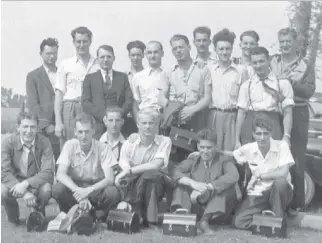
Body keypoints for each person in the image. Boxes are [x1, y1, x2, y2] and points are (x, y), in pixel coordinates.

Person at [270, 27, 316, 211]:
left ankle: (297, 205)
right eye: (282, 42)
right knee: (273, 156)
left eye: (288, 41)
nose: (285, 45)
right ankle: (274, 203)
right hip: (275, 112)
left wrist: (289, 82)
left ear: (296, 43)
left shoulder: (306, 65)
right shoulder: (273, 61)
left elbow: (309, 90)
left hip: (298, 112)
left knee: (295, 158)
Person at [52, 113, 121, 223]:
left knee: (112, 192)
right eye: (80, 132)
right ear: (75, 132)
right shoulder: (69, 145)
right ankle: (69, 214)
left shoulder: (103, 148)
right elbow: (60, 174)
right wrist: (79, 192)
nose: (83, 136)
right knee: (57, 188)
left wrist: (88, 191)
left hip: (96, 189)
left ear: (93, 131)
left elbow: (109, 179)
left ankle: (99, 215)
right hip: (76, 189)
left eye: (87, 131)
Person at [171, 129, 239, 235]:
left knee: (227, 188)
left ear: (216, 146)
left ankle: (204, 222)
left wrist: (209, 187)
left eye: (209, 147)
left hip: (217, 210)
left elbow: (233, 175)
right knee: (181, 186)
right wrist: (192, 183)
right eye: (202, 147)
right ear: (198, 146)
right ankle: (185, 219)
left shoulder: (224, 160)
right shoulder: (195, 159)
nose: (205, 151)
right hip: (197, 204)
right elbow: (176, 171)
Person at [232, 115, 295, 229]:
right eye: (259, 133)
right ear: (253, 134)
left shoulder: (282, 146)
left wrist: (258, 176)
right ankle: (265, 222)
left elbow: (283, 173)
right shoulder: (248, 148)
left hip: (279, 192)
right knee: (238, 221)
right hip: (259, 193)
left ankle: (278, 222)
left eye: (266, 133)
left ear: (271, 133)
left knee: (280, 182)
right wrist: (208, 153)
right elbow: (233, 154)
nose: (262, 137)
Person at [115, 108, 172, 227]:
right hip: (135, 183)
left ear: (157, 125)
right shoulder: (129, 143)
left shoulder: (165, 141)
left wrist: (130, 171)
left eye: (151, 123)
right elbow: (123, 162)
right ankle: (146, 218)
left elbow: (156, 165)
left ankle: (138, 212)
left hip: (158, 185)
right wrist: (126, 171)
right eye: (144, 123)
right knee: (145, 177)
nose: (147, 127)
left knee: (151, 175)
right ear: (138, 124)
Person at [1, 112, 54, 227]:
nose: (29, 131)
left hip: (36, 180)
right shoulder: (7, 142)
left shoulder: (44, 142)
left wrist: (26, 184)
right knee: (3, 190)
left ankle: (38, 215)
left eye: (32, 127)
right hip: (16, 181)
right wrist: (24, 192)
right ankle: (13, 218)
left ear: (37, 128)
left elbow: (48, 172)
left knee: (46, 189)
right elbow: (4, 173)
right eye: (25, 126)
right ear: (18, 127)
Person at [235, 46, 294, 148]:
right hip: (250, 127)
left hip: (273, 125)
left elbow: (288, 112)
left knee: (272, 160)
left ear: (269, 60)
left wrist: (286, 136)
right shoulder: (247, 85)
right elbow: (241, 113)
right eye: (255, 62)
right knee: (250, 161)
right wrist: (237, 140)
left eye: (262, 61)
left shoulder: (282, 83)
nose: (258, 65)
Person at [55, 26, 100, 147]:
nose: (81, 45)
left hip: (92, 108)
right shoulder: (65, 64)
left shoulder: (98, 64)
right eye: (78, 41)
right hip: (71, 109)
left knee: (92, 145)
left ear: (90, 42)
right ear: (73, 42)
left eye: (85, 41)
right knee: (70, 145)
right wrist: (58, 122)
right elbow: (59, 95)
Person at [82, 45, 132, 139]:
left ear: (114, 58)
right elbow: (85, 102)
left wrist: (118, 115)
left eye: (109, 56)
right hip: (98, 126)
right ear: (97, 59)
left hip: (119, 125)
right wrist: (103, 116)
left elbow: (129, 100)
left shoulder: (122, 77)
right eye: (102, 57)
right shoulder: (90, 78)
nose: (105, 60)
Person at [168, 34, 212, 132]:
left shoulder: (203, 69)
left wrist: (191, 110)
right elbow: (163, 98)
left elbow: (207, 97)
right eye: (175, 49)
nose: (178, 51)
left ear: (189, 47)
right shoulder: (169, 72)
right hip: (177, 118)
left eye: (181, 47)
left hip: (198, 117)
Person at [26, 38, 60, 160]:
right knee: (44, 162)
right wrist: (46, 125)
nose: (51, 57)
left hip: (62, 126)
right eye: (48, 54)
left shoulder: (63, 73)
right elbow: (33, 104)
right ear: (41, 54)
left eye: (54, 53)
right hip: (43, 129)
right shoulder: (33, 76)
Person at [207, 29, 241, 151]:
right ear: (215, 50)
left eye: (227, 48)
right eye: (221, 49)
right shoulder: (209, 70)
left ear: (232, 49)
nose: (224, 52)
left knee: (230, 152)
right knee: (212, 149)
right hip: (214, 115)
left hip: (233, 115)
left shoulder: (240, 71)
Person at [131, 41, 169, 121]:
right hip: (145, 119)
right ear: (145, 55)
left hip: (164, 120)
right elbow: (135, 103)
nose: (152, 56)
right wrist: (138, 123)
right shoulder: (138, 77)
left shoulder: (169, 75)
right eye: (149, 53)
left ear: (162, 53)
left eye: (156, 52)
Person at [124, 40, 146, 136]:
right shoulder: (123, 76)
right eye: (133, 55)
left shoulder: (148, 75)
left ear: (143, 55)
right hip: (126, 119)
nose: (135, 58)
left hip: (144, 118)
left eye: (138, 55)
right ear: (129, 56)